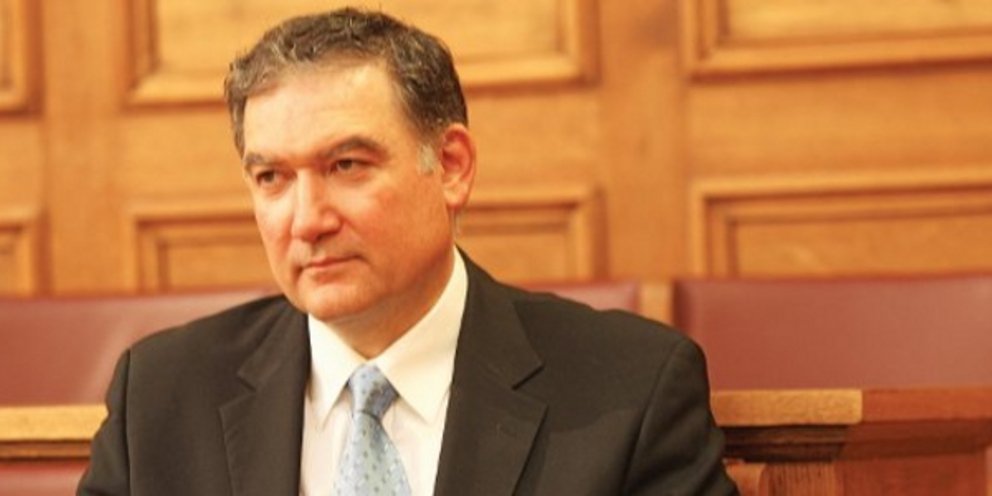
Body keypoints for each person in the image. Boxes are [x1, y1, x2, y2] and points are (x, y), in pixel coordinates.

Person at [78, 7, 737, 495]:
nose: (307, 220)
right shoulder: (164, 395)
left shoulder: (628, 391)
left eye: (346, 166)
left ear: (450, 166)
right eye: (272, 177)